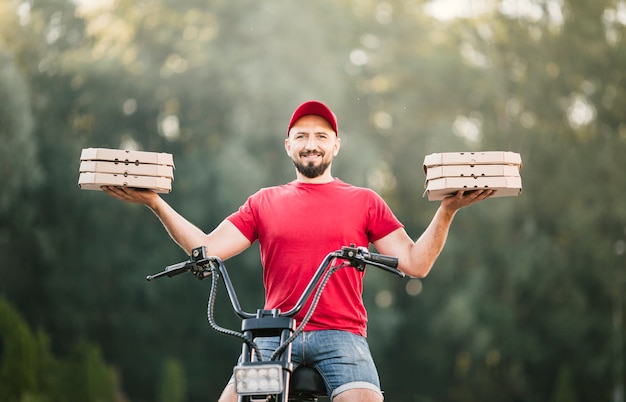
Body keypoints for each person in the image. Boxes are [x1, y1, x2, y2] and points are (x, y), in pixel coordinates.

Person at [102, 100, 494, 401]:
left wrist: (447, 210)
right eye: (303, 136)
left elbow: (415, 263)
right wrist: (155, 202)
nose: (312, 144)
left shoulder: (364, 201)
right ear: (288, 144)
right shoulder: (263, 202)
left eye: (322, 137)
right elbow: (208, 249)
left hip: (342, 335)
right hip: (274, 333)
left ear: (336, 146)